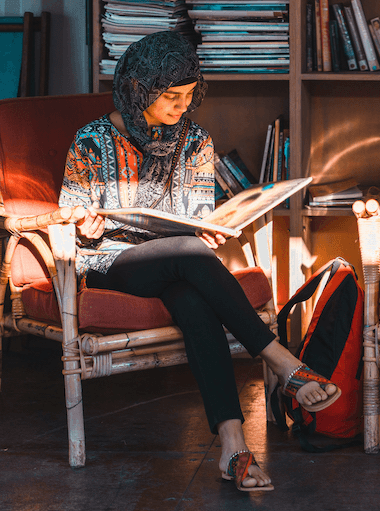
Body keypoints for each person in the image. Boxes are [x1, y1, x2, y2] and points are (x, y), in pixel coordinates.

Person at [59, 31, 341, 492]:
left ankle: (232, 442)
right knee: (189, 257)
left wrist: (209, 227)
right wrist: (82, 225)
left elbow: (193, 219)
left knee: (192, 295)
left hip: (177, 262)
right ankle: (281, 362)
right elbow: (71, 218)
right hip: (111, 263)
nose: (181, 107)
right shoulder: (92, 140)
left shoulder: (194, 140)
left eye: (189, 96)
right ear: (137, 89)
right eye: (171, 96)